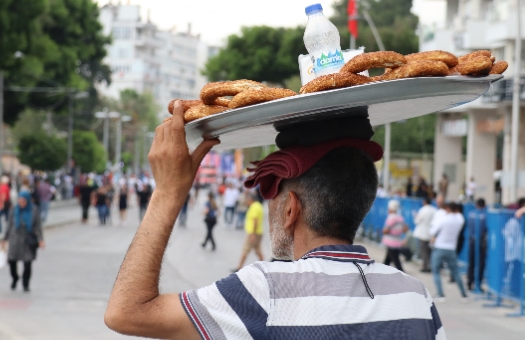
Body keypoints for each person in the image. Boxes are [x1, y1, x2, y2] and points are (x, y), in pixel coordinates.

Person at [103, 104, 444, 339]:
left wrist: (167, 193)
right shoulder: (415, 296)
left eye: (272, 194)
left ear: (291, 209)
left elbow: (126, 312)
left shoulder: (266, 289)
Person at [1, 190, 44, 292]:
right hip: (15, 239)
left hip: (28, 240)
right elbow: (9, 225)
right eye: (20, 201)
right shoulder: (14, 210)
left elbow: (38, 226)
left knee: (27, 263)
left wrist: (41, 239)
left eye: (23, 201)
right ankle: (15, 278)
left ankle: (25, 284)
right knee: (12, 262)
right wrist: (4, 239)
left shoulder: (34, 210)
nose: (21, 204)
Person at [430, 202, 468, 302]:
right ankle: (463, 295)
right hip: (451, 248)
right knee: (455, 272)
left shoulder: (443, 219)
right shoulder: (459, 220)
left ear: (447, 209)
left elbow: (432, 231)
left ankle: (440, 294)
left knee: (436, 271)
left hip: (440, 247)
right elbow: (460, 216)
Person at [234, 191, 264, 270]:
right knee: (258, 250)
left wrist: (252, 234)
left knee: (245, 249)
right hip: (258, 232)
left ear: (251, 200)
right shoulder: (258, 205)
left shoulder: (254, 207)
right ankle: (264, 267)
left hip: (253, 232)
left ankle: (239, 267)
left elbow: (255, 220)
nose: (246, 202)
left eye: (247, 200)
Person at [381, 199, 408, 272]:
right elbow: (405, 229)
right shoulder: (400, 217)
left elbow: (386, 230)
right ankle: (382, 271)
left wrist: (383, 231)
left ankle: (402, 275)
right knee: (388, 259)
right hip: (397, 241)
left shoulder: (391, 217)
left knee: (396, 261)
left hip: (391, 242)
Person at [466, 198, 487, 291]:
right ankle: (478, 283)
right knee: (481, 264)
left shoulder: (470, 214)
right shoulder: (486, 215)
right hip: (481, 242)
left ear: (476, 205)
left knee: (471, 262)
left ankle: (469, 282)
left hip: (472, 240)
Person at [414, 197, 436, 272]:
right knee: (429, 251)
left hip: (422, 233)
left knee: (423, 251)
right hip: (431, 233)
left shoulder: (423, 209)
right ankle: (429, 265)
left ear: (425, 202)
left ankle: (425, 266)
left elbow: (417, 221)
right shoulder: (434, 210)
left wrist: (416, 217)